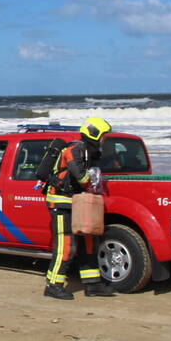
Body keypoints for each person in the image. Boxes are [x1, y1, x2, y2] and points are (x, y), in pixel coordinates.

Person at [43, 117, 116, 300]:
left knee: (89, 243)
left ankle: (93, 285)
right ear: (94, 133)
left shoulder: (90, 152)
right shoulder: (75, 150)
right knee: (66, 247)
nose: (104, 140)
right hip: (61, 204)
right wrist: (92, 178)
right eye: (103, 136)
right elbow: (82, 178)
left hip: (78, 203)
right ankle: (53, 285)